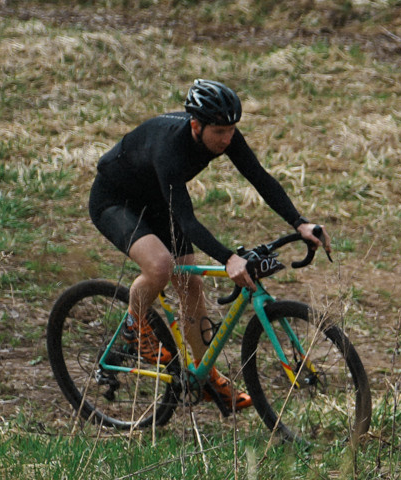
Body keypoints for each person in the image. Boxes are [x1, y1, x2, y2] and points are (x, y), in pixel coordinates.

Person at [87, 79, 325, 412]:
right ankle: (133, 328)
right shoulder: (169, 148)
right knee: (159, 266)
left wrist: (299, 222)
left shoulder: (224, 133)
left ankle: (206, 375)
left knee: (191, 285)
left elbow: (259, 177)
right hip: (115, 200)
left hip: (158, 200)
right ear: (196, 126)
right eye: (219, 132)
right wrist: (228, 258)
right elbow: (187, 221)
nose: (227, 139)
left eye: (231, 131)